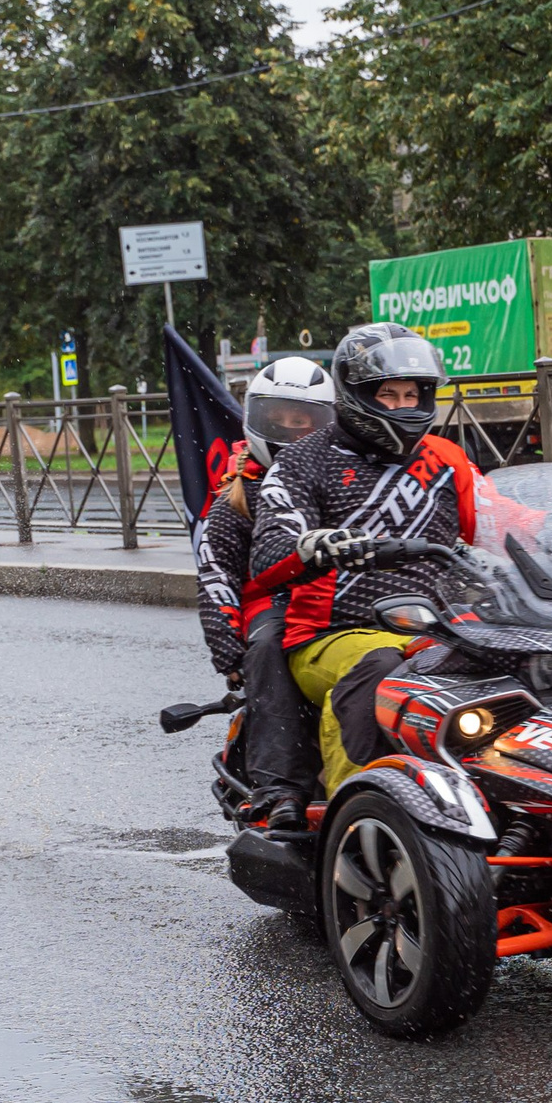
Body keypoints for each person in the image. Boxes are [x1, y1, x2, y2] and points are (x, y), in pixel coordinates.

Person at [247, 323, 478, 796]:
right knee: (379, 666)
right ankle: (354, 804)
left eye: (412, 394)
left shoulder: (447, 458)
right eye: (388, 395)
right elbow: (269, 550)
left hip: (442, 627)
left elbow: (501, 523)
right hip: (330, 635)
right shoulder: (302, 460)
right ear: (355, 394)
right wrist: (313, 547)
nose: (403, 406)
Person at [194, 356, 335, 832]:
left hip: (342, 599)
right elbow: (215, 573)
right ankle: (280, 790)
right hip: (272, 607)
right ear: (258, 418)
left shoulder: (340, 477)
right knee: (271, 645)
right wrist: (228, 649)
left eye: (303, 421)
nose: (290, 430)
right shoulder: (236, 494)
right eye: (278, 419)